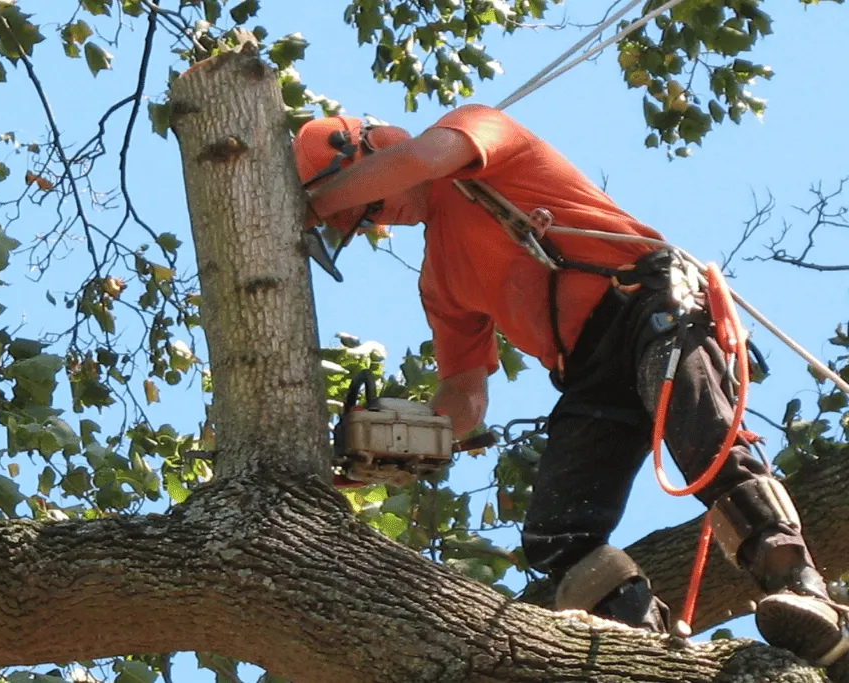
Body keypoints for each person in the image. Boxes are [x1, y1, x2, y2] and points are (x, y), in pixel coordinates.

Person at [292, 104, 849, 667]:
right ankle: (647, 654)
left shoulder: (474, 134)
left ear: (366, 150)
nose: (372, 220)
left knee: (700, 436)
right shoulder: (439, 279)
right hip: (588, 373)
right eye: (362, 219)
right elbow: (466, 392)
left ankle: (800, 589)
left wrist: (311, 204)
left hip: (645, 306)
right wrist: (409, 441)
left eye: (365, 205)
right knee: (557, 533)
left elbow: (421, 158)